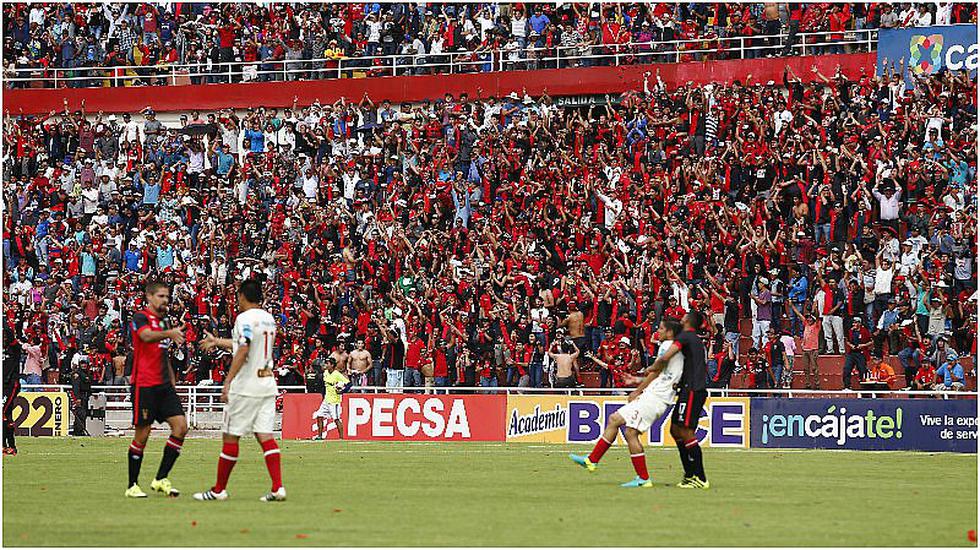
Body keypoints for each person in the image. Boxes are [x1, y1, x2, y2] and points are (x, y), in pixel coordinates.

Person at [193, 279, 286, 502]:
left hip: (247, 386)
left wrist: (228, 381)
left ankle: (218, 490)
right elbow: (244, 343)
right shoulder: (268, 318)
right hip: (267, 383)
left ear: (242, 296)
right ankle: (278, 487)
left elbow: (243, 348)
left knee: (231, 437)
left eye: (238, 296)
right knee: (265, 436)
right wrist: (217, 341)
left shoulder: (244, 318)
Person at [569, 318, 684, 488]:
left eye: (660, 329)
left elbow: (655, 370)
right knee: (615, 419)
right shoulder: (676, 351)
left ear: (669, 333)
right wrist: (638, 381)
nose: (656, 332)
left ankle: (643, 478)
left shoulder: (668, 347)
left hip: (656, 398)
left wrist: (638, 389)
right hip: (654, 395)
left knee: (631, 433)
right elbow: (658, 374)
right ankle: (592, 460)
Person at [126, 280, 188, 499]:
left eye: (167, 297)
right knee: (142, 435)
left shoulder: (164, 323)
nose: (165, 300)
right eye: (161, 296)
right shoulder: (140, 318)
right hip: (144, 384)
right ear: (149, 297)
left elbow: (162, 354)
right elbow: (145, 337)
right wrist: (170, 333)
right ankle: (132, 485)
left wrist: (172, 381)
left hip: (163, 385)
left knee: (181, 427)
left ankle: (161, 478)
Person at [647, 311, 709, 489]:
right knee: (675, 429)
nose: (680, 319)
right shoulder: (694, 339)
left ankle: (700, 478)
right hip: (687, 389)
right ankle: (689, 474)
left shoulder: (686, 336)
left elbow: (666, 356)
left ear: (687, 321)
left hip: (693, 390)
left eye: (683, 318)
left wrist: (651, 369)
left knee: (686, 431)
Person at [312, 357, 350, 440]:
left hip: (334, 401)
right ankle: (320, 436)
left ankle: (341, 438)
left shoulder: (337, 374)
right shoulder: (325, 373)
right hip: (326, 400)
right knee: (319, 416)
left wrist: (342, 391)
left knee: (336, 419)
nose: (326, 365)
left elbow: (349, 384)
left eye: (328, 363)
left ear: (332, 365)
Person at [2, 327, 22, 455]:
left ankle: (4, 445)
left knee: (2, 412)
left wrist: (3, 318)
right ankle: (11, 446)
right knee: (7, 416)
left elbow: (11, 336)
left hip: (11, 385)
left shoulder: (15, 349)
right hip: (2, 386)